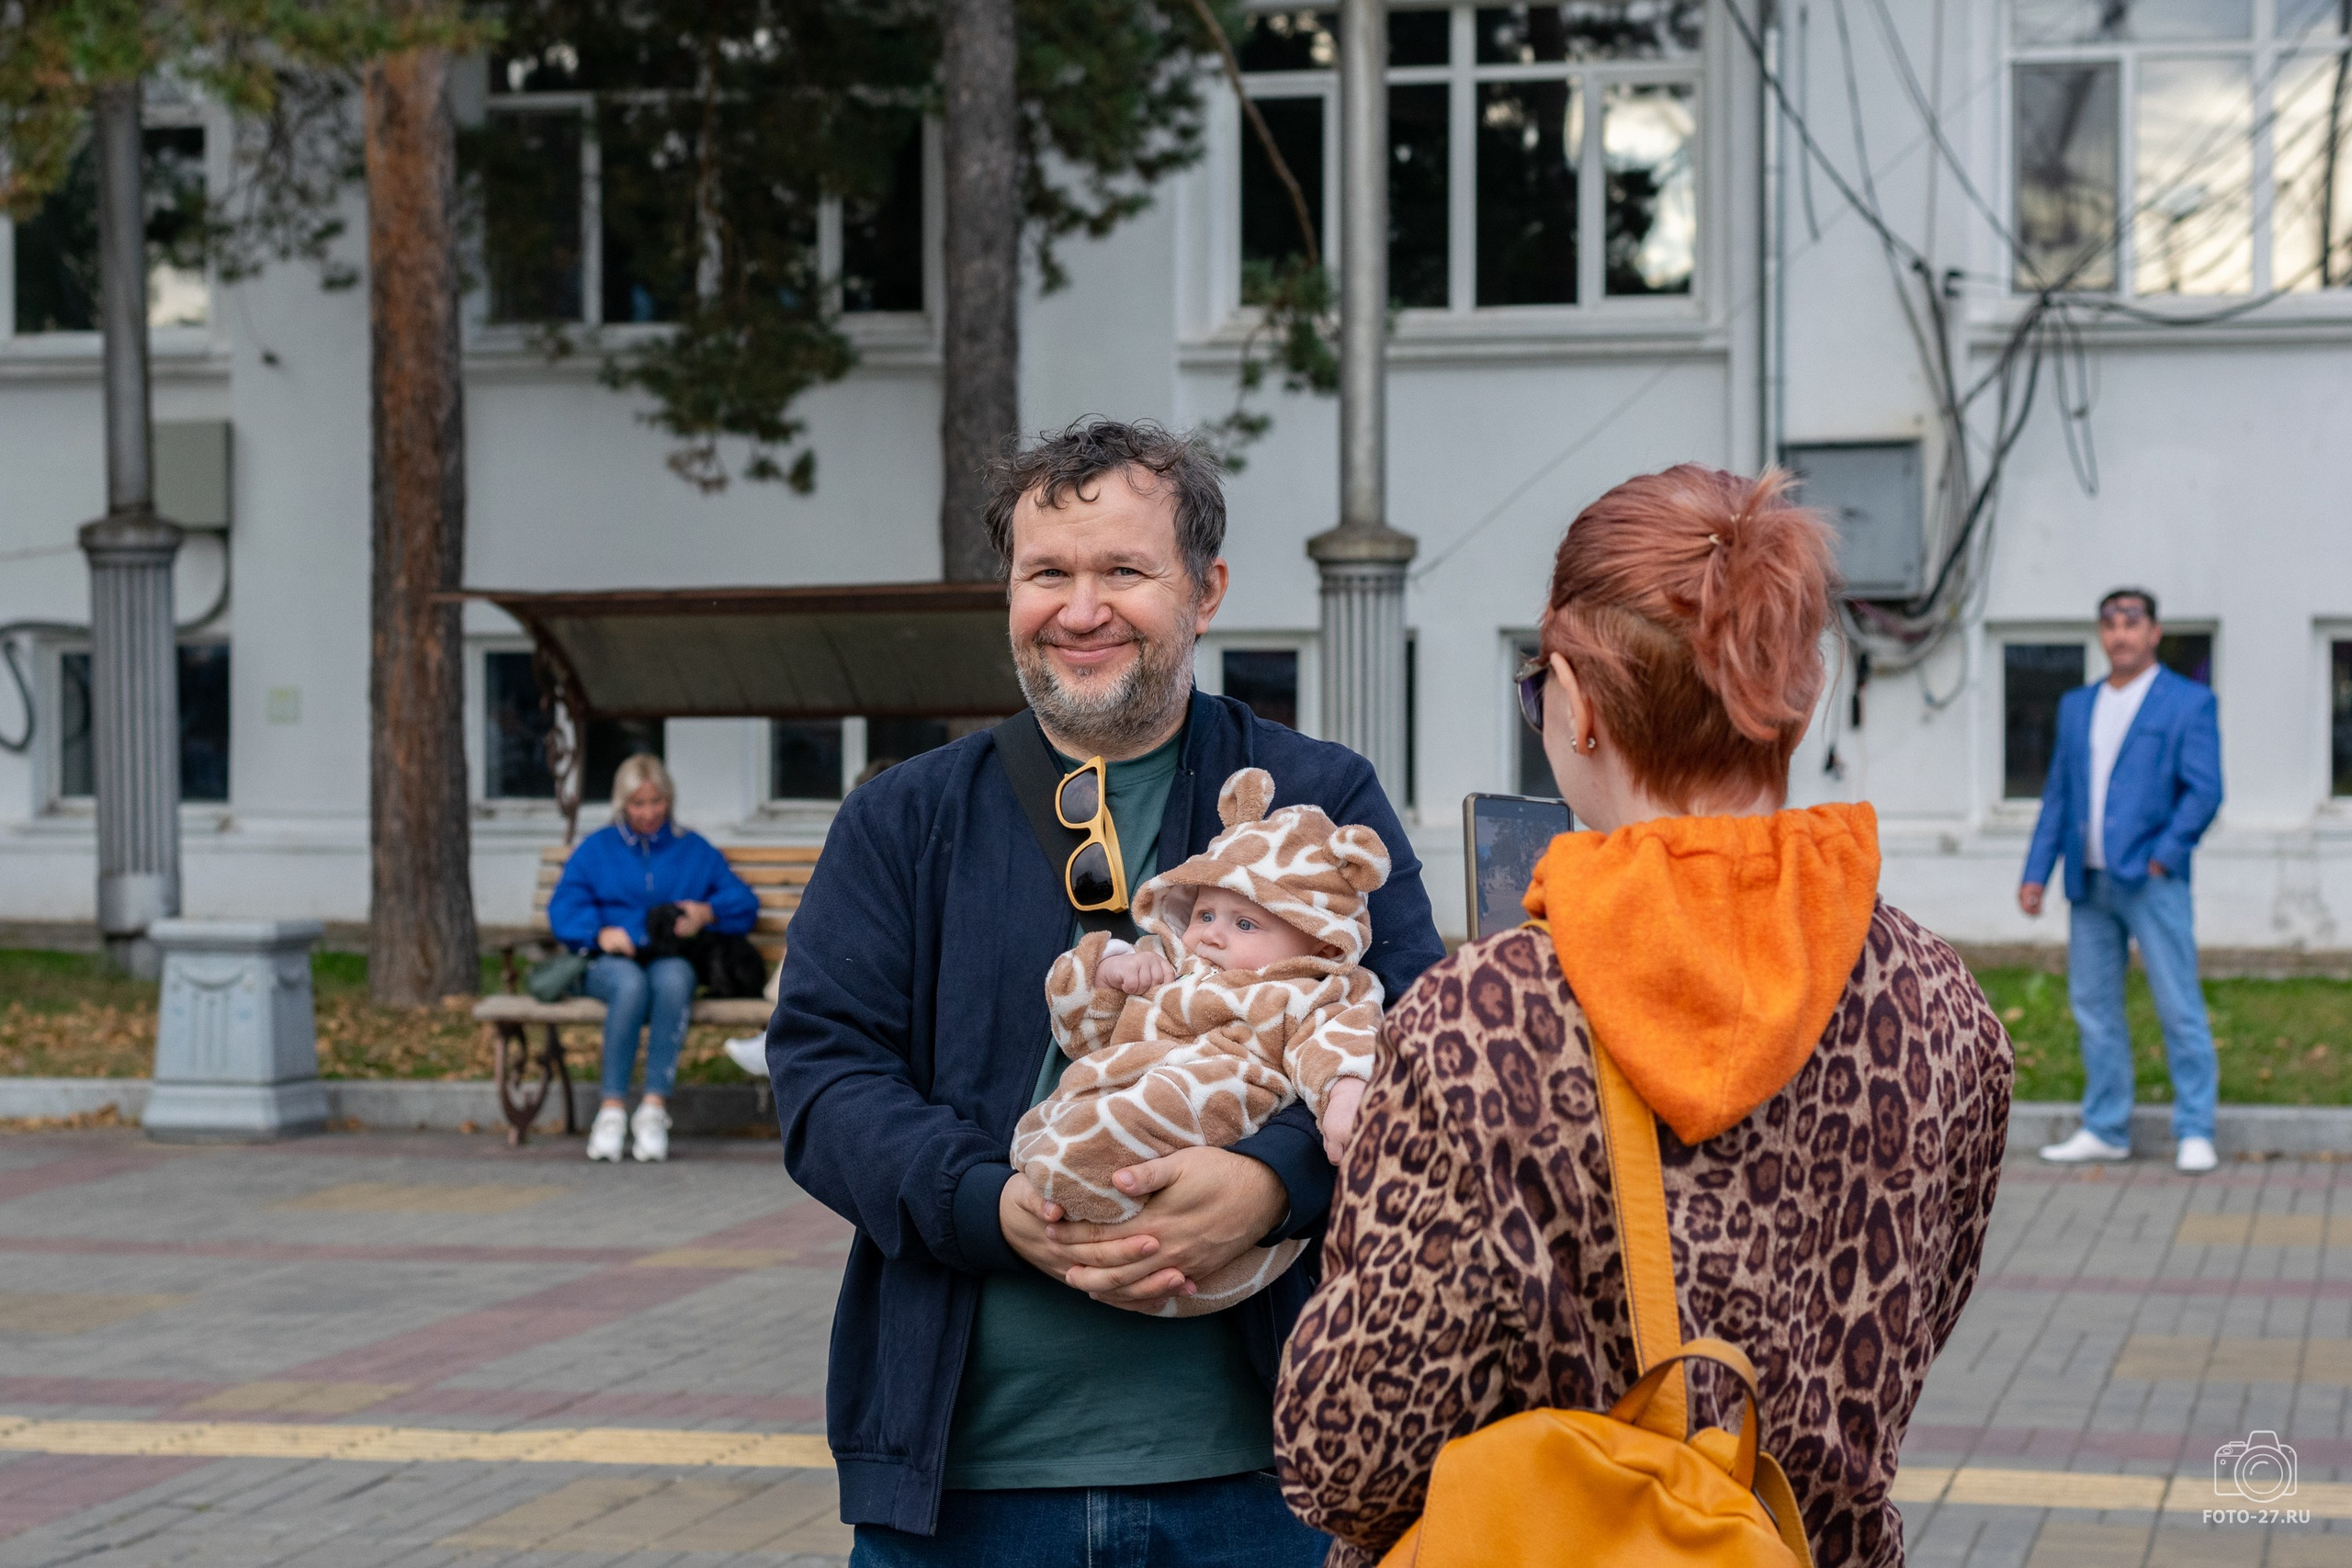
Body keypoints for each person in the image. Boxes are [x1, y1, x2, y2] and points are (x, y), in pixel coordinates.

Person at [1273, 465, 2014, 1568]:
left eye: (1539, 693)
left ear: (1573, 705)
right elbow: (1907, 1334)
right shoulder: (1942, 1004)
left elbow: (1344, 1454)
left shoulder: (1484, 1021)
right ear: (1795, 698)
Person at [765, 419, 1445, 1565]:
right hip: (962, 1489)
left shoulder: (1322, 800)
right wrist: (991, 1206)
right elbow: (823, 1082)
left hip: (1273, 1482)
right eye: (1048, 574)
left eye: (1123, 570)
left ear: (1206, 589)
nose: (1081, 610)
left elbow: (1421, 1048)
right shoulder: (903, 818)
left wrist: (1268, 1182)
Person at [1013, 766, 1389, 1315]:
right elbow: (1084, 1038)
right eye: (1206, 913)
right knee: (1080, 1093)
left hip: (1228, 1095)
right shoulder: (1168, 964)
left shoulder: (1311, 993)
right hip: (1128, 1085)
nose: (1211, 932)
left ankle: (1093, 1177)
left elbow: (1342, 1042)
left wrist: (1347, 1096)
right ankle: (1073, 1182)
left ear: (1323, 945)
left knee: (1176, 1095)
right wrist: (1112, 972)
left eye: (1245, 925)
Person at [2020, 588, 2225, 1173]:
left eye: (2132, 622)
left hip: (2152, 880)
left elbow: (2205, 790)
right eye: (2109, 623)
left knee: (2178, 1004)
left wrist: (2165, 855)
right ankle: (2106, 1127)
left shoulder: (2188, 703)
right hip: (2089, 883)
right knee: (2094, 1007)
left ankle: (2195, 1128)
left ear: (2154, 632)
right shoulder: (2077, 705)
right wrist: (2037, 872)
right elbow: (2059, 793)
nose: (2120, 634)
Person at [546, 753, 759, 1163]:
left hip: (667, 957)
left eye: (656, 802)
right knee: (630, 985)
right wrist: (599, 932)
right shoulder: (597, 849)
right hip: (607, 962)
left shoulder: (693, 849)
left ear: (669, 800)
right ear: (621, 805)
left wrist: (706, 912)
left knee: (677, 978)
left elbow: (742, 901)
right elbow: (564, 907)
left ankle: (654, 1110)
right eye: (637, 804)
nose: (648, 813)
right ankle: (611, 1111)